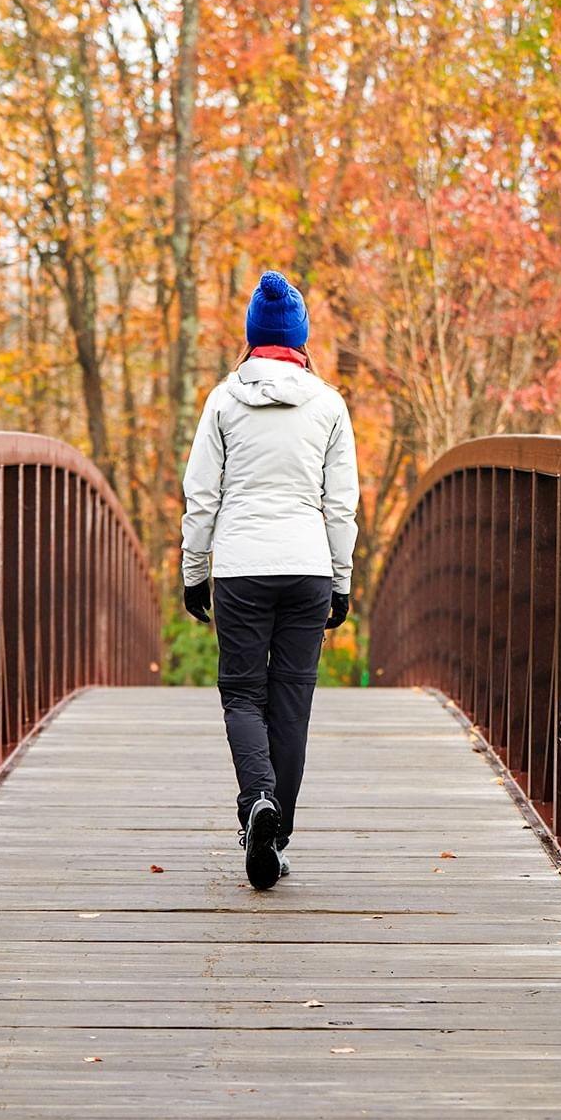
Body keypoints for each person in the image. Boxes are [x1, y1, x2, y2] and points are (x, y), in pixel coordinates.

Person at [180, 270, 359, 891]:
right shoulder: (330, 403)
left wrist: (193, 572)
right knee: (292, 706)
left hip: (241, 568)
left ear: (251, 339)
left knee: (242, 694)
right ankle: (276, 837)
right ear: (301, 339)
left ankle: (257, 800)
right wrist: (340, 581)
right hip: (308, 566)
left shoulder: (224, 400)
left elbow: (202, 496)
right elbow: (340, 505)